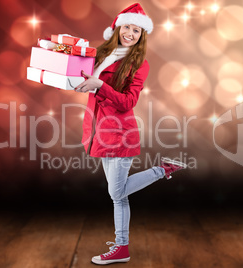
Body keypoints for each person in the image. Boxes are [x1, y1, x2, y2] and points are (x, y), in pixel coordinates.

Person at [74, 3, 187, 265]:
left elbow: (127, 102)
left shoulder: (139, 64)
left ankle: (163, 170)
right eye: (127, 27)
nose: (130, 33)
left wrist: (99, 84)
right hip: (99, 130)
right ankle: (121, 247)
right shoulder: (101, 54)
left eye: (137, 30)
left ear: (141, 35)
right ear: (117, 27)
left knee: (116, 194)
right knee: (119, 196)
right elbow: (81, 77)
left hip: (120, 133)